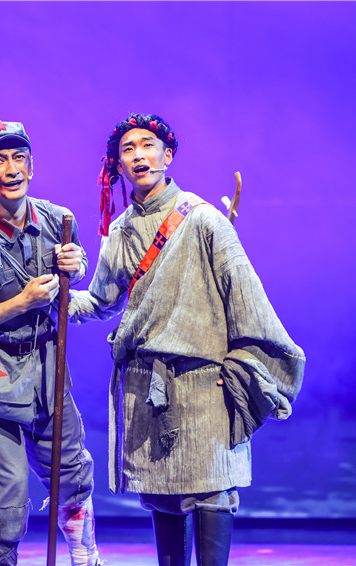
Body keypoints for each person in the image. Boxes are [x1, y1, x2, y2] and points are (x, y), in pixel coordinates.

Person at [70, 113, 306, 566]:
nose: (138, 155)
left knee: (213, 492)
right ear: (117, 165)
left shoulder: (204, 219)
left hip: (205, 384)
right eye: (127, 149)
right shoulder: (119, 232)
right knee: (164, 496)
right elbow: (100, 302)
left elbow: (246, 298)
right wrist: (53, 292)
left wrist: (241, 368)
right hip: (148, 385)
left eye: (148, 145)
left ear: (168, 155)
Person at [0, 119, 102, 566]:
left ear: (31, 165)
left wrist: (76, 267)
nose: (11, 169)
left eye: (19, 157)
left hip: (46, 366)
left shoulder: (58, 221)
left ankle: (84, 553)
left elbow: (72, 276)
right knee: (7, 488)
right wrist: (21, 302)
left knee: (71, 469)